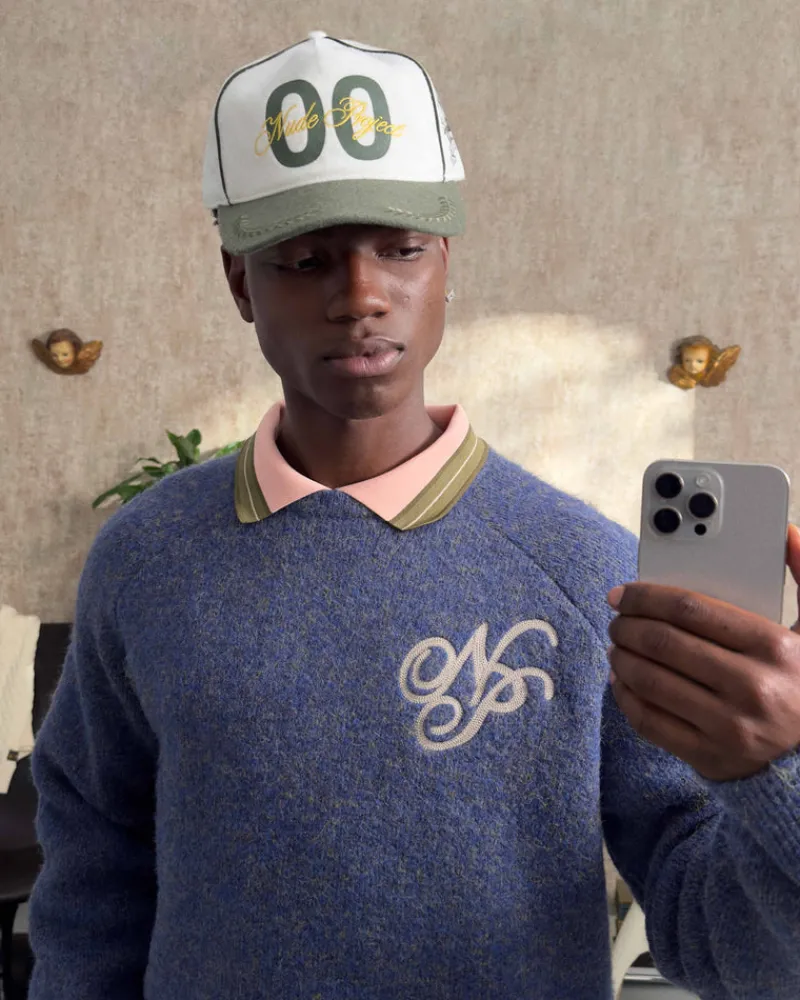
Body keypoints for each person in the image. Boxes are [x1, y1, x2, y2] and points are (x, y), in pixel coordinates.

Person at [28, 30, 800, 1000]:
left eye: (400, 249)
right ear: (239, 281)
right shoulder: (144, 559)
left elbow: (736, 953)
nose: (361, 296)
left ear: (445, 264)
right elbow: (94, 870)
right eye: (305, 258)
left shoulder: (586, 574)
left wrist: (778, 776)